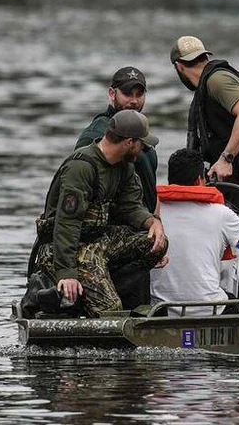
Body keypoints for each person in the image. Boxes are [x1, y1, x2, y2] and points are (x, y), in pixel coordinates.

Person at [30, 110, 168, 317]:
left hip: (98, 242)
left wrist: (152, 222)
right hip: (66, 249)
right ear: (129, 142)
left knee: (156, 243)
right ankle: (60, 296)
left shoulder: (125, 166)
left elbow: (130, 207)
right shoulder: (82, 167)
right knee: (110, 311)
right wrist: (66, 273)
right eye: (142, 144)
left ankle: (100, 286)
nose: (143, 149)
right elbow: (67, 223)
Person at [75, 66, 159, 309]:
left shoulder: (140, 133)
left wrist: (155, 223)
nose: (133, 101)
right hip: (110, 240)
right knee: (117, 308)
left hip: (136, 234)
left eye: (139, 94)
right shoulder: (97, 136)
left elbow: (148, 188)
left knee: (139, 302)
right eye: (127, 94)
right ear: (112, 94)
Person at [170, 36, 239, 216]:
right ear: (204, 57)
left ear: (179, 66)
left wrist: (226, 158)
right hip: (235, 178)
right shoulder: (206, 86)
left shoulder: (217, 80)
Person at [150, 148, 239, 316]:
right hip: (210, 309)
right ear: (199, 180)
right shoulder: (219, 213)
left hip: (162, 311)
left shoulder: (153, 215)